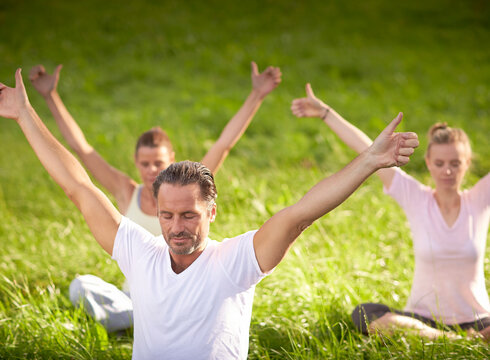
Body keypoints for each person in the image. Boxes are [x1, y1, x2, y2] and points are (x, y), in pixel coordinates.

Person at [0, 69, 418, 359]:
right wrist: (24, 113)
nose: (176, 228)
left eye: (189, 216)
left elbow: (300, 214)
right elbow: (78, 188)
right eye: (167, 216)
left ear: (212, 212)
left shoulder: (234, 262)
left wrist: (368, 161)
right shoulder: (139, 252)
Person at [28, 61, 282, 331]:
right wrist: (50, 96)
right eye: (145, 164)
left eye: (158, 163)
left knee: (171, 305)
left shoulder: (190, 188)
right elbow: (82, 149)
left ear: (171, 160)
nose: (151, 170)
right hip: (134, 297)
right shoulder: (127, 192)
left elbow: (224, 144)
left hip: (180, 294)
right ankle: (137, 319)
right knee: (82, 286)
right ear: (136, 163)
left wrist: (257, 95)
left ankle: (136, 321)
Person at [291, 83, 490, 340]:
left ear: (467, 165)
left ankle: (458, 336)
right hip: (422, 318)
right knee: (364, 314)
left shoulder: (478, 200)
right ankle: (453, 339)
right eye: (440, 163)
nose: (447, 171)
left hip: (479, 319)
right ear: (428, 163)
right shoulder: (415, 197)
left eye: (455, 163)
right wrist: (325, 112)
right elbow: (366, 149)